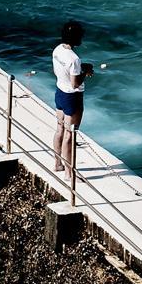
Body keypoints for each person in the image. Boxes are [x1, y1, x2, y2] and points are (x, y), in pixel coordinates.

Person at [51, 19, 93, 175]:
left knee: (60, 129)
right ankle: (70, 173)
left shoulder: (57, 50)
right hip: (73, 97)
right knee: (70, 134)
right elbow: (75, 83)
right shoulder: (74, 59)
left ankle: (57, 164)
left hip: (60, 92)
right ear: (75, 37)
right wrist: (86, 73)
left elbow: (63, 69)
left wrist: (81, 68)